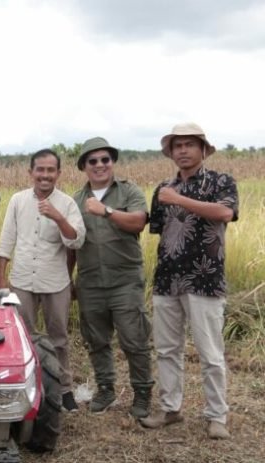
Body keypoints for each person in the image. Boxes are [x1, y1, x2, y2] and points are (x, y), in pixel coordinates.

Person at [140, 123, 238, 440]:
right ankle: (170, 409)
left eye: (188, 144)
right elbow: (157, 229)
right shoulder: (162, 189)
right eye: (177, 145)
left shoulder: (221, 182)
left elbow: (224, 213)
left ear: (202, 149)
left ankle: (216, 416)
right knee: (167, 350)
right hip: (168, 279)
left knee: (210, 353)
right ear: (171, 152)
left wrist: (179, 200)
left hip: (205, 279)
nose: (182, 150)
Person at [68, 137, 153, 418]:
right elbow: (70, 243)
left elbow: (138, 221)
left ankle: (142, 393)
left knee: (133, 339)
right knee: (97, 340)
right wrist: (69, 279)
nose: (100, 165)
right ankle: (105, 389)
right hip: (90, 282)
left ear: (112, 162)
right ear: (84, 167)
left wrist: (105, 211)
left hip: (125, 280)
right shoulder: (76, 201)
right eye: (93, 161)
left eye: (105, 159)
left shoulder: (128, 191)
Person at [0, 149, 85, 412]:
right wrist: (1, 278)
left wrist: (57, 216)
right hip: (21, 279)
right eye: (40, 170)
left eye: (50, 170)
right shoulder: (18, 200)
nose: (45, 175)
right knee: (22, 335)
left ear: (58, 173)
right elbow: (6, 240)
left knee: (58, 337)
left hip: (55, 281)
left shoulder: (67, 203)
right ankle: (27, 384)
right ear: (31, 172)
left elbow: (76, 240)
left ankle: (64, 388)